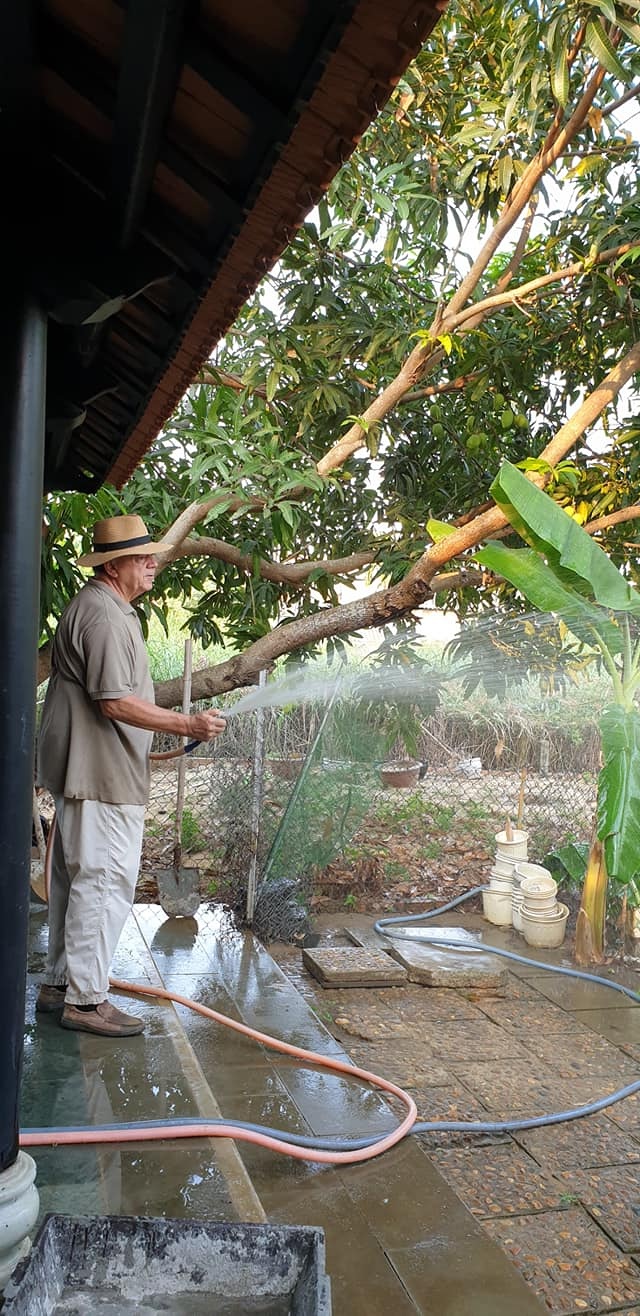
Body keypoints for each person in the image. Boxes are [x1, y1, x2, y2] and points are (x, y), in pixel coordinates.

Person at [36, 515, 226, 1037]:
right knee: (103, 882)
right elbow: (115, 701)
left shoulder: (106, 607)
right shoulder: (102, 616)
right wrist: (186, 723)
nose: (153, 564)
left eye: (153, 555)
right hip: (99, 777)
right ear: (113, 564)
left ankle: (60, 986)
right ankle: (87, 1001)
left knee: (77, 882)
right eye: (143, 557)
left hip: (94, 773)